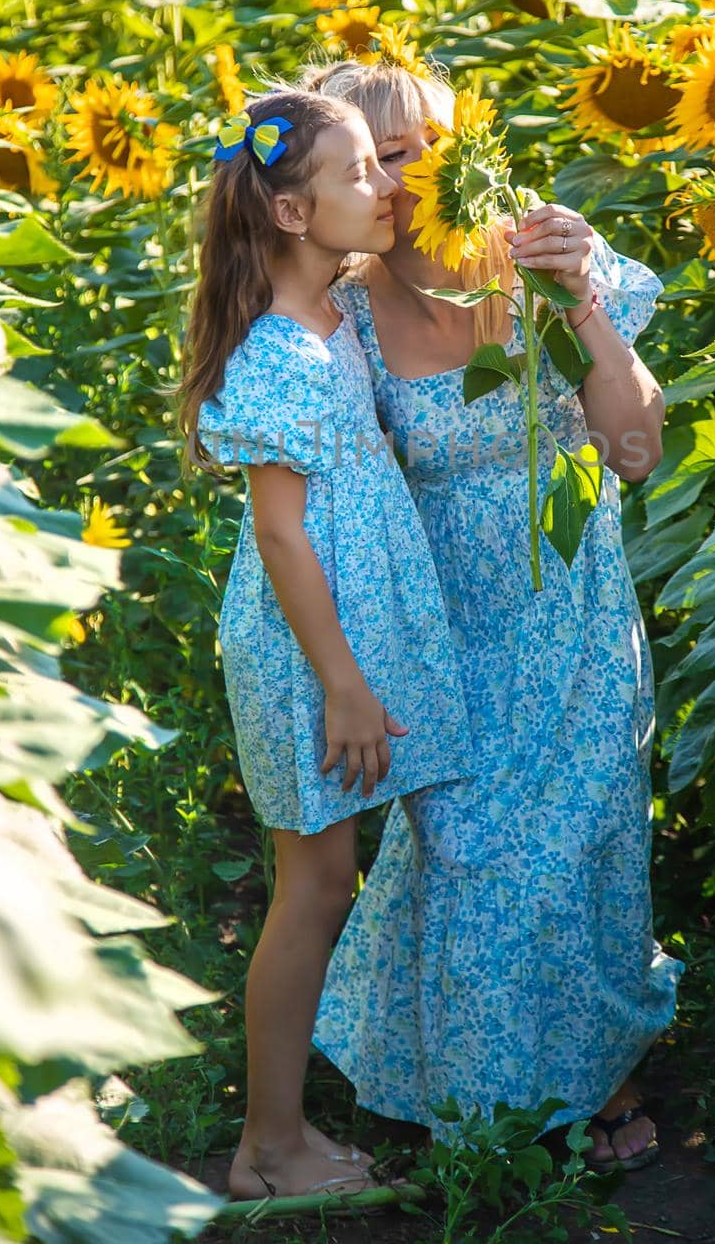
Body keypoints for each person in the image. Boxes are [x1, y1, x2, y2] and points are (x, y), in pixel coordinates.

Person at [305, 55, 684, 1173]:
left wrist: (578, 302)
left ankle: (600, 1079)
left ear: (464, 151)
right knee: (469, 856)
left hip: (571, 603)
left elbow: (637, 448)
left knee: (589, 843)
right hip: (443, 625)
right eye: (372, 159)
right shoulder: (345, 317)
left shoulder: (543, 255)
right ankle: (479, 1114)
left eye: (419, 145)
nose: (398, 176)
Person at [177, 86, 474, 1203]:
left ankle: (294, 1124)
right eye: (359, 173)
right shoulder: (278, 357)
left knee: (331, 879)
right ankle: (270, 1145)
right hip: (311, 645)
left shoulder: (334, 316)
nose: (386, 187)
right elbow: (280, 531)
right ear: (294, 214)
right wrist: (343, 687)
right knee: (311, 887)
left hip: (349, 628)